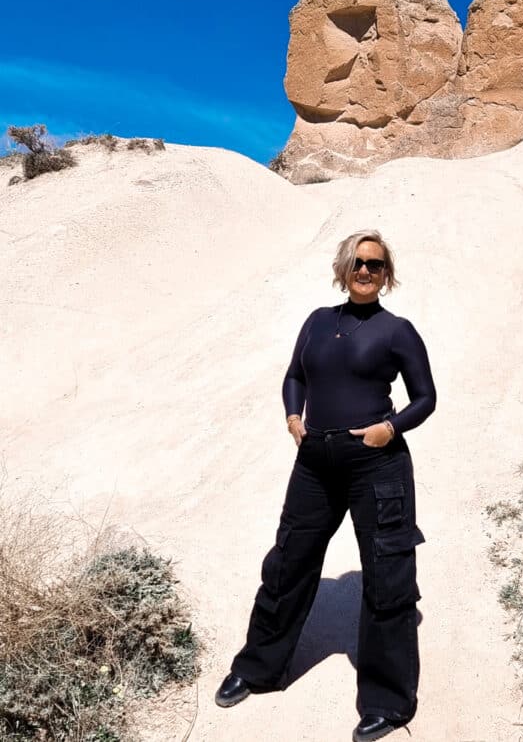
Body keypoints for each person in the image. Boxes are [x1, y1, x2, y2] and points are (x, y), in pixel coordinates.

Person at [215, 230, 437, 742]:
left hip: (376, 465)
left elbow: (425, 397)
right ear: (344, 268)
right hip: (315, 462)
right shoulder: (317, 322)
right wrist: (293, 415)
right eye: (358, 263)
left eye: (376, 265)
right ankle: (258, 668)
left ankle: (388, 701)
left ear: (387, 274)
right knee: (288, 562)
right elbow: (295, 375)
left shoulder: (397, 330)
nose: (365, 271)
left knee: (387, 579)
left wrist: (392, 427)